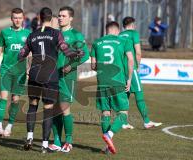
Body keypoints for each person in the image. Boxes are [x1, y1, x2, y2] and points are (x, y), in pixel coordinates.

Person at [18, 7, 84, 153]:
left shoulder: (32, 35)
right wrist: (76, 53)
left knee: (33, 106)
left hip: (34, 74)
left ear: (39, 18)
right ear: (51, 18)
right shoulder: (56, 33)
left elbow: (21, 54)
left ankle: (29, 136)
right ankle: (45, 145)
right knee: (48, 110)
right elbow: (66, 50)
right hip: (50, 76)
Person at [48, 6, 89, 153]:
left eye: (63, 16)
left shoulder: (76, 35)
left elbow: (84, 55)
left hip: (67, 77)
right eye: (59, 15)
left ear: (71, 18)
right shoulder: (53, 34)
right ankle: (57, 141)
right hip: (53, 77)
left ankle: (69, 141)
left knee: (65, 109)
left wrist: (71, 67)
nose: (60, 18)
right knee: (54, 110)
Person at [91, 21, 134, 154]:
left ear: (107, 30)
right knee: (123, 113)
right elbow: (131, 60)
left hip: (102, 81)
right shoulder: (123, 41)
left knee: (105, 112)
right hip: (118, 81)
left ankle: (106, 147)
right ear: (117, 30)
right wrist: (129, 79)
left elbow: (93, 66)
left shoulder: (96, 42)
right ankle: (109, 134)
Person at [0, 8, 31, 137]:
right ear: (11, 19)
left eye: (19, 18)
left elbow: (31, 54)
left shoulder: (28, 34)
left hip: (21, 72)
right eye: (15, 18)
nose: (17, 20)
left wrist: (29, 68)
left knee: (15, 100)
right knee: (3, 98)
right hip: (6, 70)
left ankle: (9, 126)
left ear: (23, 19)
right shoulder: (5, 32)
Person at [119, 16, 162, 129]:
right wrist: (137, 66)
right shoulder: (134, 34)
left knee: (125, 95)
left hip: (120, 69)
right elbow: (138, 52)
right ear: (132, 24)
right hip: (130, 67)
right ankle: (146, 121)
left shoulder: (119, 36)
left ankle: (123, 123)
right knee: (139, 94)